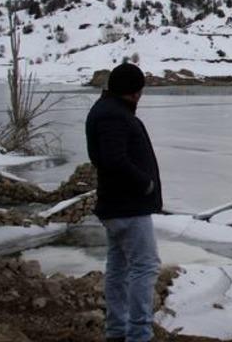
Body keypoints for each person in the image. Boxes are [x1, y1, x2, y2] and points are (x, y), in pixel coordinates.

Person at [86, 63, 162, 342]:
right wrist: (145, 182)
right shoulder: (113, 116)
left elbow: (107, 158)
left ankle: (117, 331)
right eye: (139, 91)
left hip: (116, 205)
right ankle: (139, 334)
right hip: (128, 206)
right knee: (146, 266)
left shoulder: (107, 110)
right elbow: (113, 159)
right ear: (132, 93)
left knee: (118, 269)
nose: (140, 97)